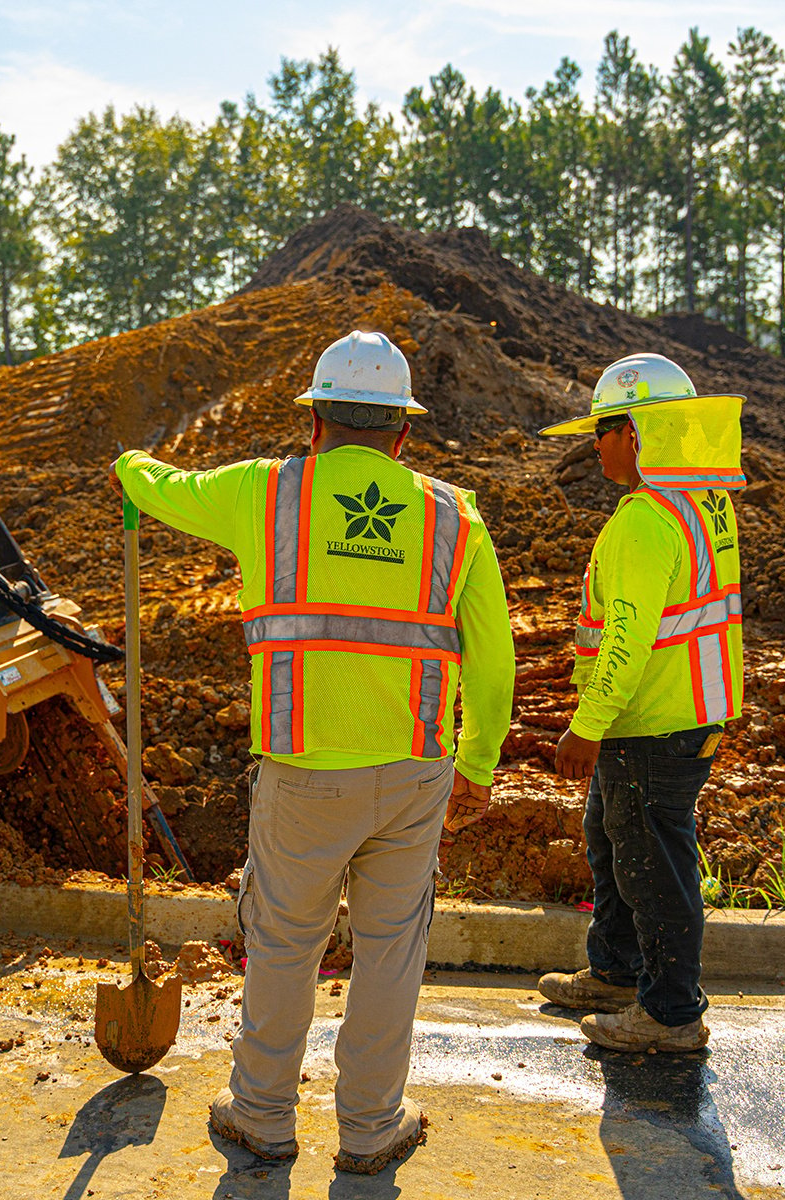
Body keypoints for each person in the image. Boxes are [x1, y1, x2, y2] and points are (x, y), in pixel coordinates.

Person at [110, 330, 515, 1174]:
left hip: (301, 774)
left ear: (315, 424)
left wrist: (130, 467)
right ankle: (370, 1129)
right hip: (412, 772)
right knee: (391, 951)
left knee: (285, 944)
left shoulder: (267, 495)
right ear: (403, 433)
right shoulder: (455, 516)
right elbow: (494, 655)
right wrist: (476, 761)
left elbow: (161, 490)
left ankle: (261, 1116)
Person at [536, 352, 746, 1053]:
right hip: (681, 711)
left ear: (639, 433)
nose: (594, 443)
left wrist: (585, 726)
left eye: (604, 428)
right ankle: (618, 973)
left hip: (652, 722)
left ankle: (670, 1015)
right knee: (613, 841)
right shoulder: (701, 502)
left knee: (653, 866)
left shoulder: (644, 521)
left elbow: (627, 638)